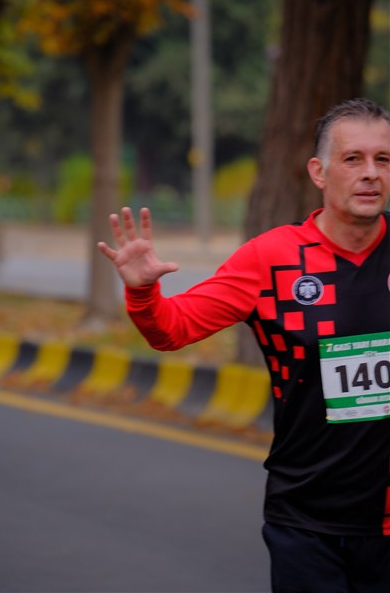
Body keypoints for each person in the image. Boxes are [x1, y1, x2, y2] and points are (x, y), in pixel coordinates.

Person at [98, 98, 390, 593]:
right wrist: (144, 291)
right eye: (352, 159)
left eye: (382, 159)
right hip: (307, 519)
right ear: (318, 173)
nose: (370, 173)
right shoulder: (271, 259)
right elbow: (172, 330)